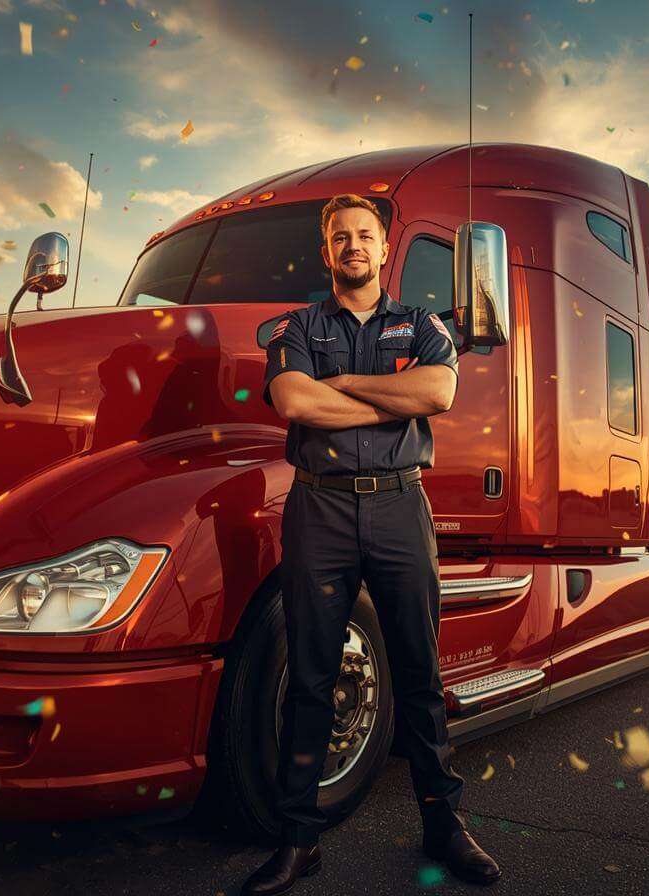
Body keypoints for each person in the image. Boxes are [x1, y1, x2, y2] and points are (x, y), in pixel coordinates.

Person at [242, 195, 500, 895]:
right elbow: (294, 401)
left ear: (385, 250)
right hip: (318, 506)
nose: (353, 245)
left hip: (397, 506)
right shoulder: (296, 327)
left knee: (419, 674)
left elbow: (439, 393)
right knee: (312, 677)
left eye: (365, 235)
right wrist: (392, 394)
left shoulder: (423, 325)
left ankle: (444, 827)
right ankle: (300, 841)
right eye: (340, 237)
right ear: (326, 254)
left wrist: (348, 384)